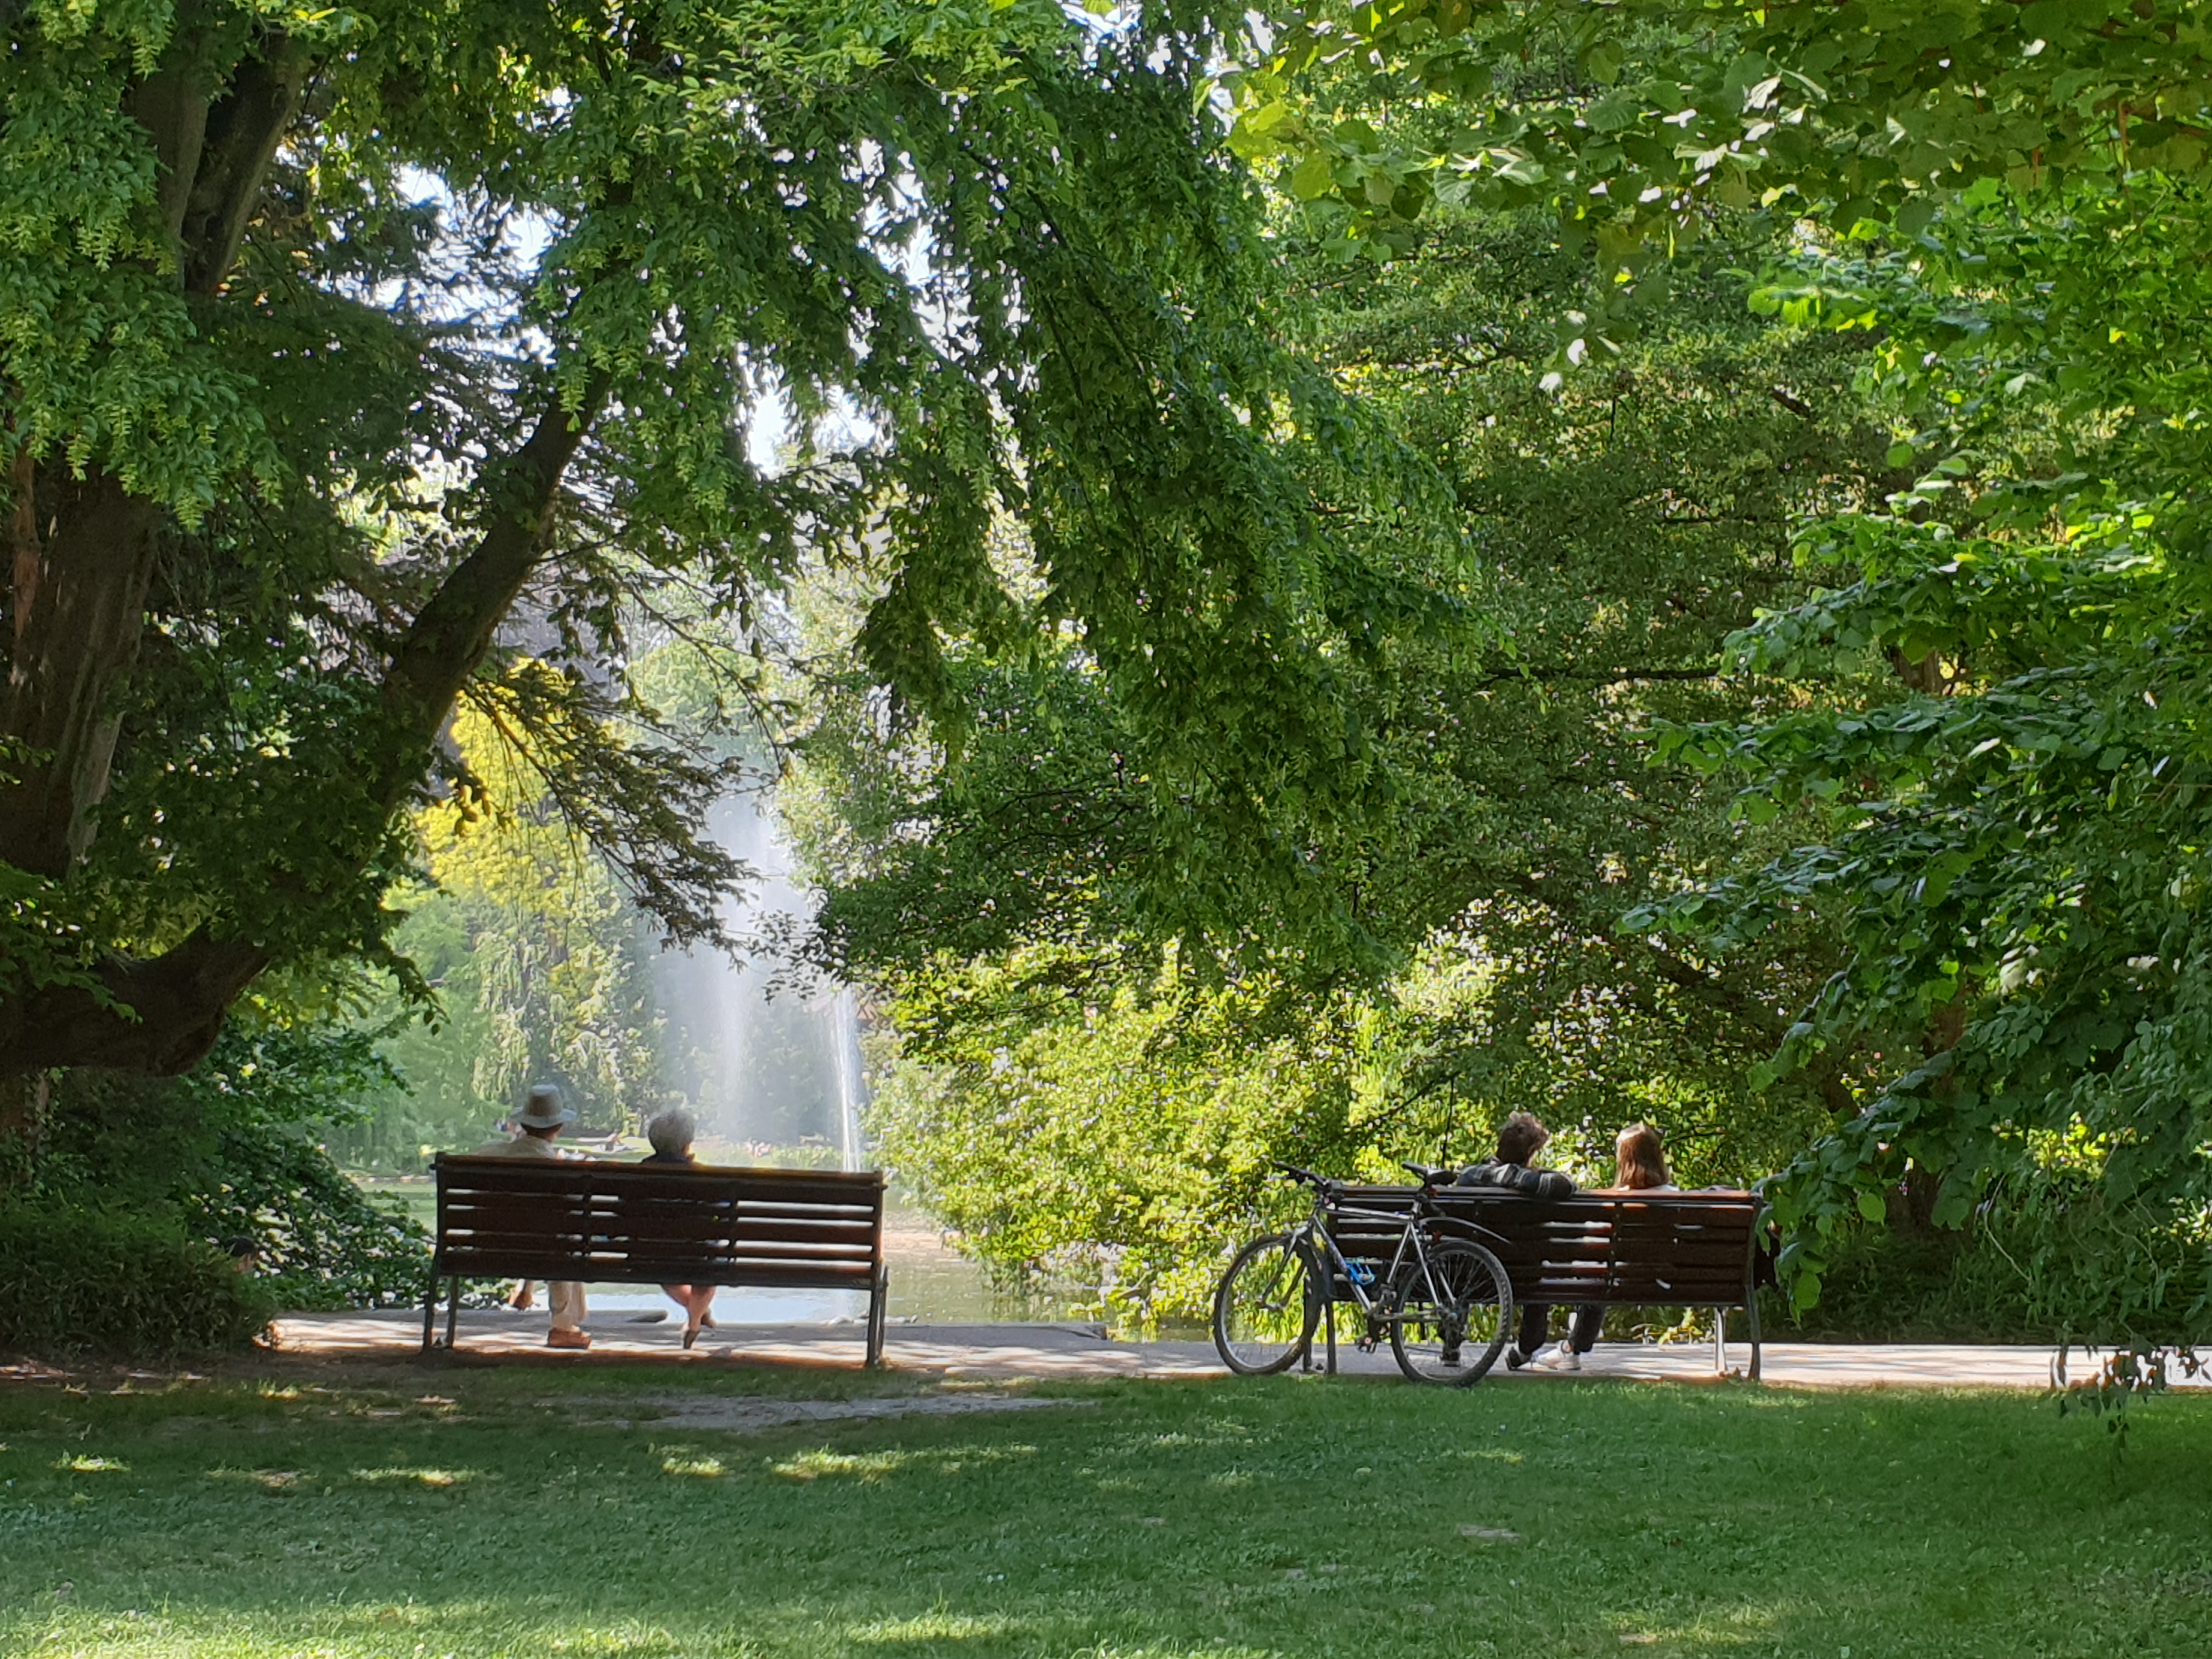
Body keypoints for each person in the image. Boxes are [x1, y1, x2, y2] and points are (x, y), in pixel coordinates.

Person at [1532, 1121, 1681, 1373]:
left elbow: (1593, 1251)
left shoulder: (1614, 1201)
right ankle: (1570, 1349)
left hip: (1615, 1280)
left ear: (1624, 1160)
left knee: (1598, 1273)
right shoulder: (1676, 1197)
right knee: (1602, 1273)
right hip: (1663, 1282)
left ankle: (1571, 1349)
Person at [472, 1084, 591, 1350]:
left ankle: (526, 1291)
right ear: (558, 1128)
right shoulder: (558, 1168)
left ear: (524, 1124)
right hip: (546, 1250)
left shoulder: (487, 1154)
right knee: (565, 1239)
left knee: (546, 1232)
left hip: (488, 1246)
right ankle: (564, 1326)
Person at [1456, 1111, 1577, 1369]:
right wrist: (1529, 1174)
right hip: (1525, 1276)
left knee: (1459, 1254)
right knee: (1538, 1270)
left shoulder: (1470, 1177)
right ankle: (1525, 1350)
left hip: (1474, 1275)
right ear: (1531, 1153)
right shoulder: (1537, 1184)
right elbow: (1568, 1185)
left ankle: (1451, 1342)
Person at [641, 1109, 716, 1349]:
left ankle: (697, 1314)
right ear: (687, 1145)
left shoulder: (635, 1175)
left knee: (669, 1274)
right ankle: (695, 1320)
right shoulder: (703, 1178)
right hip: (698, 1258)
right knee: (708, 1272)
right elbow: (721, 1214)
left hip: (651, 1259)